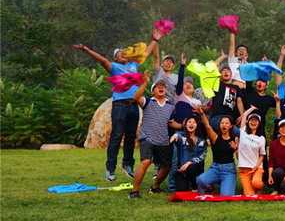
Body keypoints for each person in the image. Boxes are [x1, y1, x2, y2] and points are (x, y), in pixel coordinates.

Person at [72, 31, 160, 181]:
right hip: (119, 105)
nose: (123, 54)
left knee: (131, 137)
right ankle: (110, 169)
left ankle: (127, 165)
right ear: (116, 58)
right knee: (117, 135)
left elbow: (146, 52)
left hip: (133, 105)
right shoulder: (114, 67)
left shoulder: (133, 65)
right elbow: (101, 60)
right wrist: (86, 50)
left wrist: (154, 40)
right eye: (119, 53)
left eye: (124, 53)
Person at [129, 75, 174, 198]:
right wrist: (144, 83)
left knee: (166, 166)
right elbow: (136, 97)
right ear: (153, 90)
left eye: (163, 86)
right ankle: (134, 191)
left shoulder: (171, 105)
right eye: (158, 86)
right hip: (147, 137)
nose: (161, 87)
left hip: (163, 140)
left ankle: (155, 187)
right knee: (146, 161)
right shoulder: (148, 101)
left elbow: (173, 122)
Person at [196, 108, 238, 196]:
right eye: (222, 123)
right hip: (215, 169)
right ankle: (210, 187)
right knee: (200, 180)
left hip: (229, 170)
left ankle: (223, 183)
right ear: (219, 125)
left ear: (230, 126)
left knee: (226, 196)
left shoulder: (235, 139)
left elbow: (239, 157)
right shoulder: (215, 137)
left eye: (227, 123)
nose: (224, 125)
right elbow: (207, 126)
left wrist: (236, 149)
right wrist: (202, 114)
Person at [170, 115, 207, 192]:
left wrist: (189, 163)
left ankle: (195, 187)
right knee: (182, 190)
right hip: (182, 170)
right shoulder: (181, 137)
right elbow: (177, 136)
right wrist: (175, 135)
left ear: (197, 125)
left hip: (196, 169)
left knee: (191, 167)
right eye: (189, 122)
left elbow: (202, 156)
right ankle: (188, 183)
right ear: (185, 124)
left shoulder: (201, 141)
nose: (191, 124)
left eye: (194, 122)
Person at [237, 107, 266, 196]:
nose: (253, 122)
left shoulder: (261, 138)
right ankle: (250, 186)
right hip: (244, 169)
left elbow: (262, 155)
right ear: (248, 122)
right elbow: (244, 116)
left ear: (259, 123)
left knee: (256, 183)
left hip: (256, 168)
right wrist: (252, 108)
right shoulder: (242, 133)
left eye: (256, 121)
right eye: (251, 120)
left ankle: (259, 186)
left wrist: (256, 166)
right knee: (249, 195)